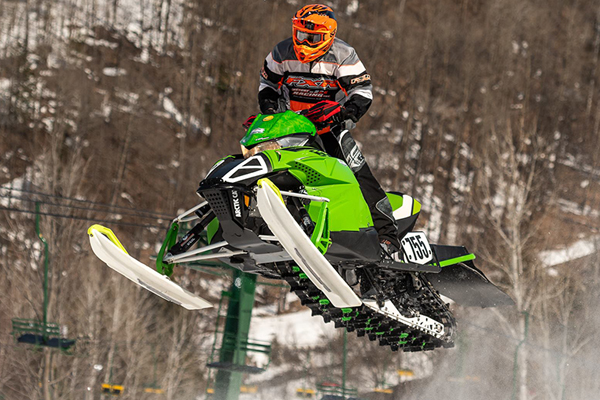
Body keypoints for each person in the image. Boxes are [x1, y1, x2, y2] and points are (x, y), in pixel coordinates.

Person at [257, 4, 403, 262]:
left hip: (329, 127)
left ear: (327, 37)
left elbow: (362, 91)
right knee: (265, 166)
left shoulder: (344, 55)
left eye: (310, 37)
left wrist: (347, 113)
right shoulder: (280, 52)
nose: (303, 42)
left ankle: (388, 236)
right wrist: (269, 108)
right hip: (289, 127)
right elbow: (267, 84)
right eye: (300, 34)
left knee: (358, 173)